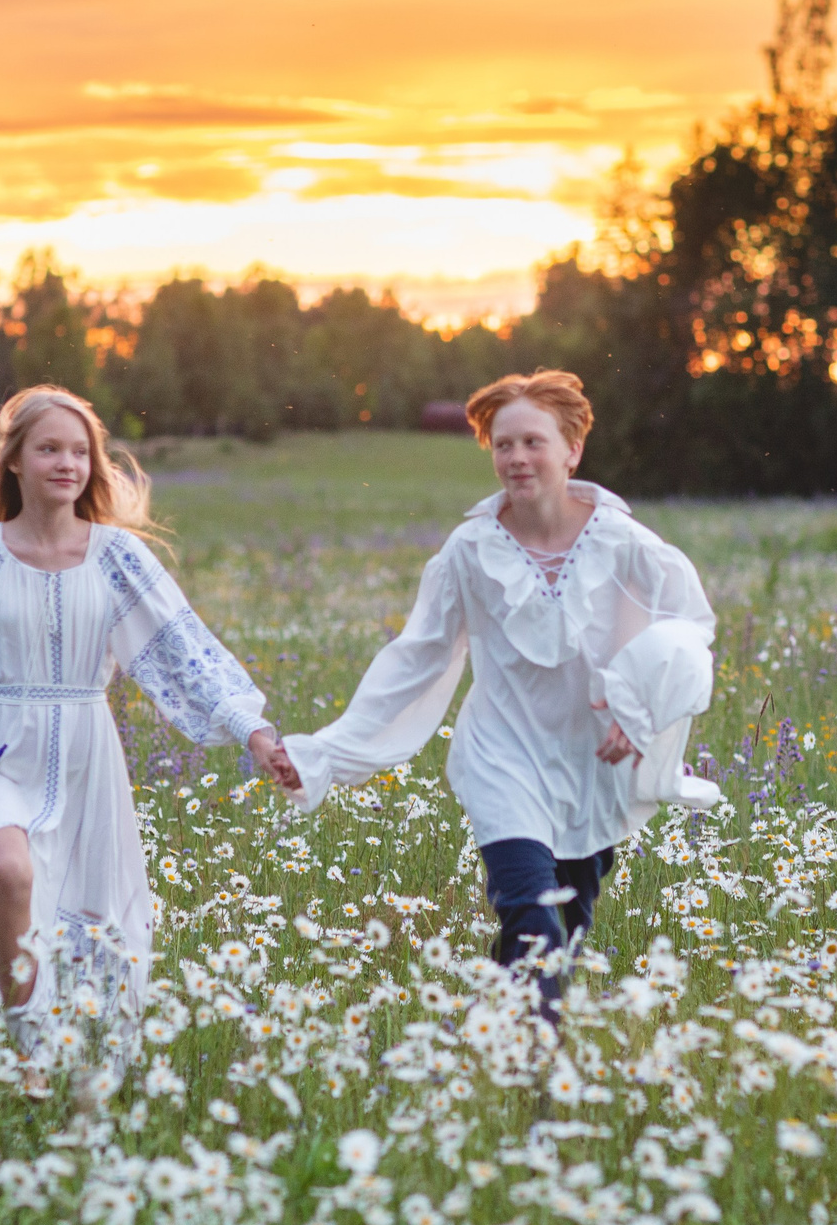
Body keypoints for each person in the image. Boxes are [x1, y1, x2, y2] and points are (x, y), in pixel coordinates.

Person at [0, 386, 301, 1071]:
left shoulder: (117, 556)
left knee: (82, 916)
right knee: (8, 865)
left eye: (79, 450)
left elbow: (184, 647)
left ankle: (63, 1051)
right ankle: (26, 1047)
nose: (67, 462)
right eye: (49, 448)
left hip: (89, 759)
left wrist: (254, 731)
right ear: (16, 464)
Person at [283, 371, 718, 1018]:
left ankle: (493, 1045)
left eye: (532, 442)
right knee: (534, 922)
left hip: (591, 766)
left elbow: (688, 627)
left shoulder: (623, 541)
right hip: (502, 759)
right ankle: (533, 1068)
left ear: (572, 449)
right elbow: (416, 658)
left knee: (562, 938)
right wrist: (327, 750)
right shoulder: (470, 550)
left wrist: (641, 707)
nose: (516, 458)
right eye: (502, 444)